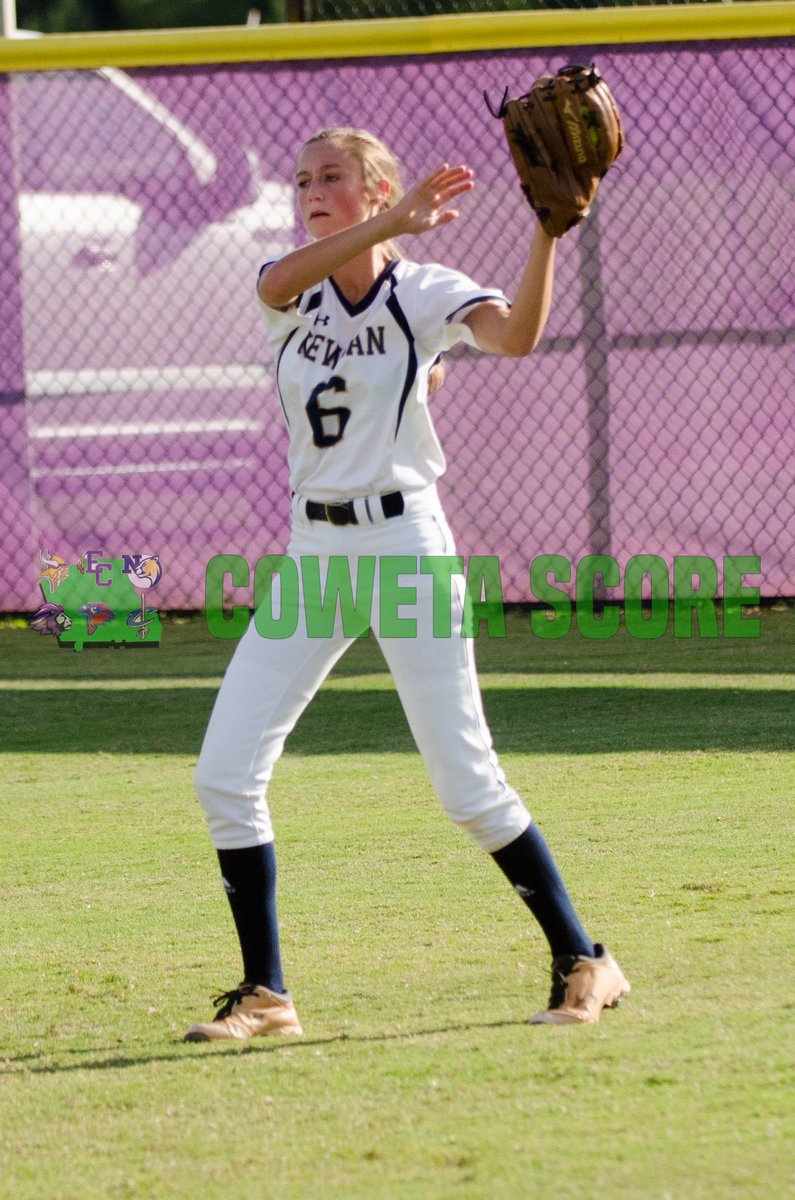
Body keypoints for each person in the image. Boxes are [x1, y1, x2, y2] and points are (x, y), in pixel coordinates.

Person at [184, 127, 629, 1042]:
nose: (310, 188)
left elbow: (514, 338)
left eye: (331, 177)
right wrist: (388, 217)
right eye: (302, 177)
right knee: (224, 773)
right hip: (314, 557)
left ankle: (585, 958)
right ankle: (266, 994)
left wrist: (544, 234)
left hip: (403, 546)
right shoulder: (290, 286)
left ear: (376, 182)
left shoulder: (421, 291)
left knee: (466, 785)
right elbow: (273, 282)